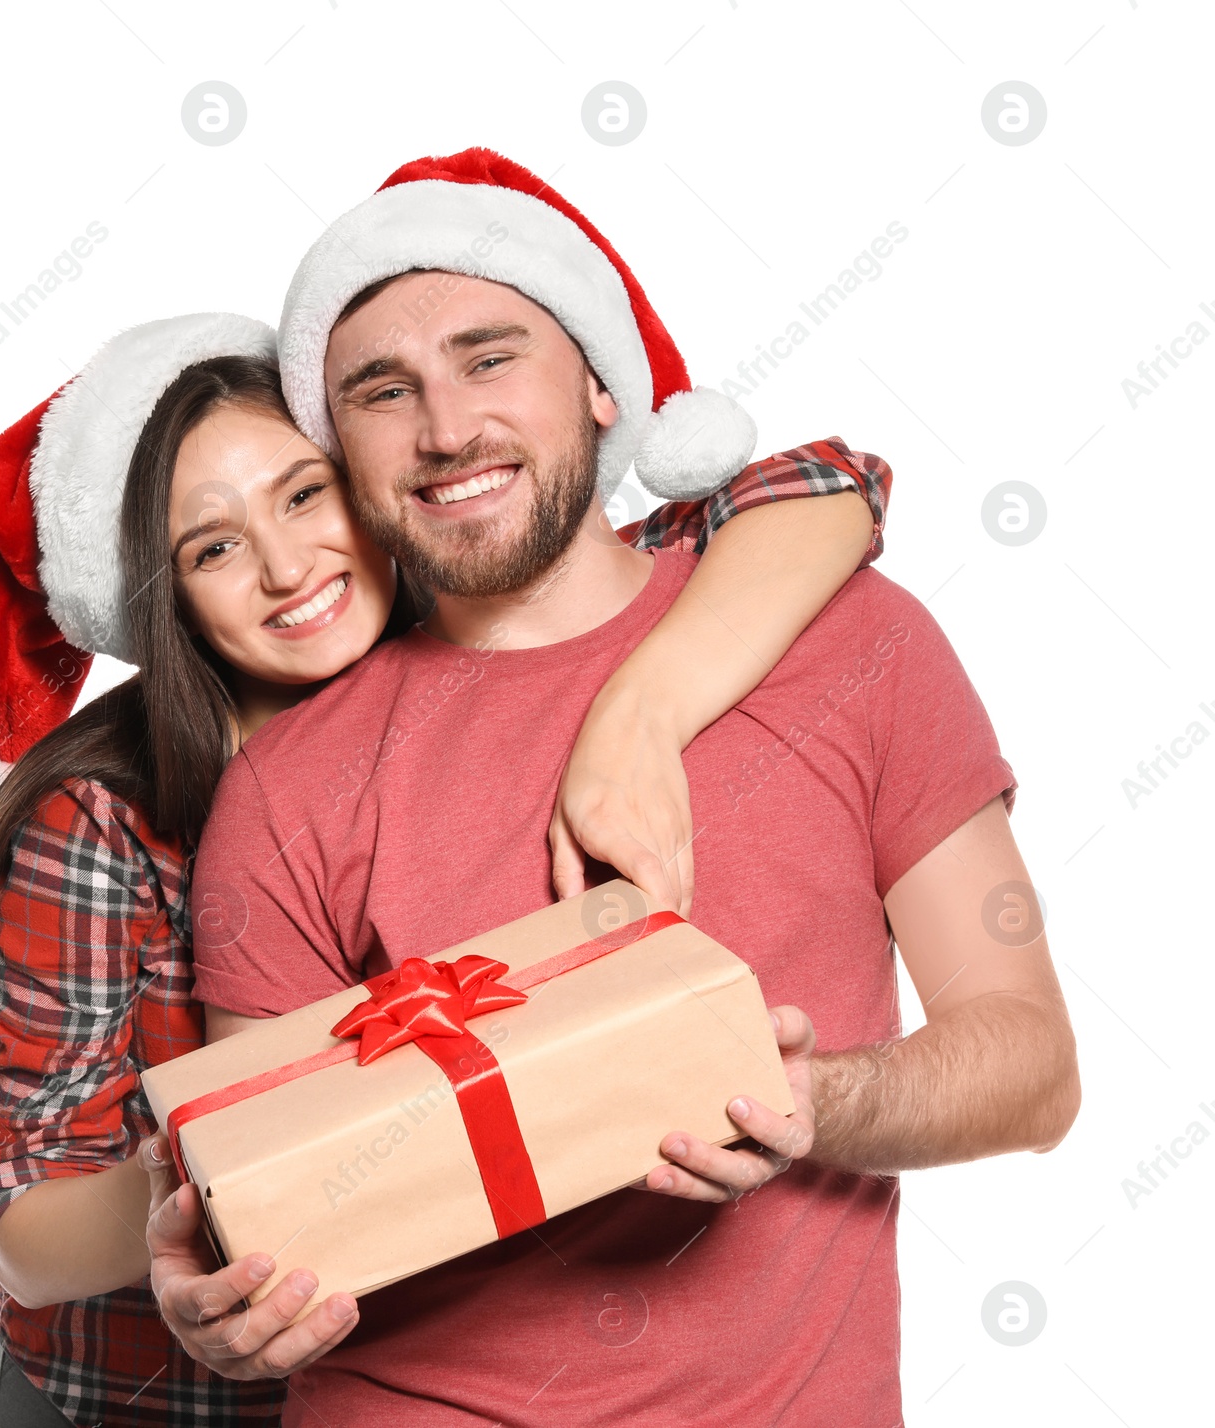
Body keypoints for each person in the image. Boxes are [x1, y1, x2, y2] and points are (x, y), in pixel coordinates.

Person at [173, 150, 1081, 1424]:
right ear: (340, 450)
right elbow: (265, 1187)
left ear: (602, 387)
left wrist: (818, 1105)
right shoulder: (286, 787)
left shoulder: (849, 640)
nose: (445, 429)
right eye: (383, 392)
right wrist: (229, 1302)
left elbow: (1032, 1068)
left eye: (491, 358)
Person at [0, 303, 891, 1427]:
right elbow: (24, 1224)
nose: (288, 566)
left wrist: (639, 712)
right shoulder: (98, 819)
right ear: (162, 599)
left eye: (305, 494)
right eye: (212, 547)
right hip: (147, 1397)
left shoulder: (501, 630)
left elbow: (817, 485)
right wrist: (216, 1197)